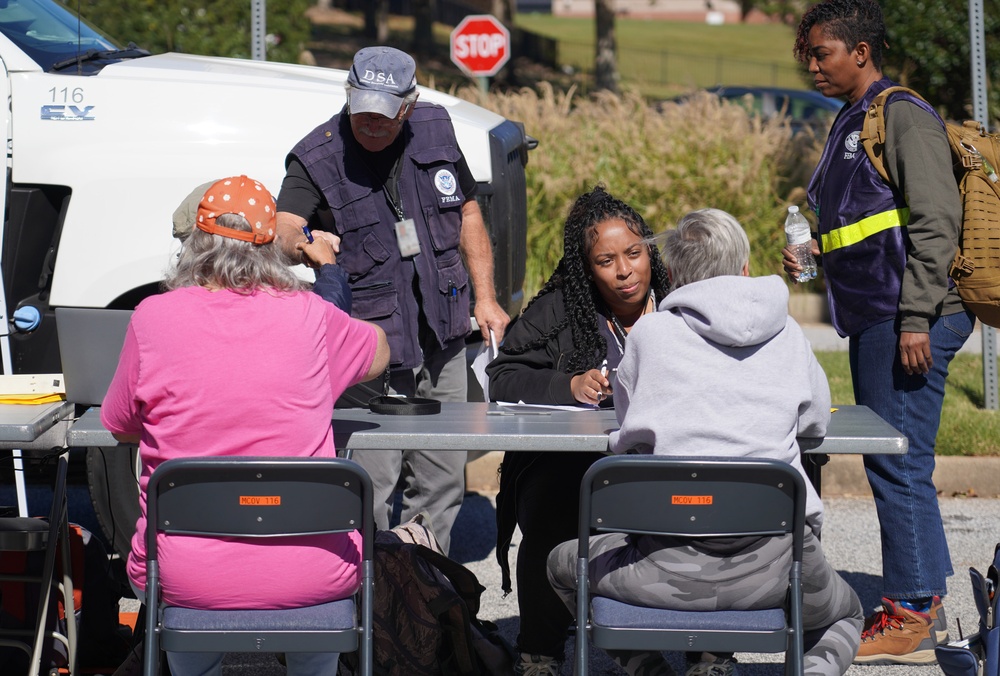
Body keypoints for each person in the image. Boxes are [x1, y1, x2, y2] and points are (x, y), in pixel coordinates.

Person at [547, 208, 864, 676]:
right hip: (778, 567)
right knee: (849, 615)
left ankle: (650, 671)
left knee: (560, 564)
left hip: (660, 566)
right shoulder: (789, 335)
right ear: (744, 268)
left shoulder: (650, 336)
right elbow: (814, 426)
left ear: (671, 274)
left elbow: (630, 430)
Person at [100, 176, 390, 676]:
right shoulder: (312, 315)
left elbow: (121, 425)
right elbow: (380, 351)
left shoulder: (152, 317)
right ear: (269, 245)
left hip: (186, 575)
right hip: (312, 572)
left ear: (195, 243)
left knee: (184, 608)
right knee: (317, 642)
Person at [788, 0, 974, 664]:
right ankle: (922, 600)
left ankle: (911, 617)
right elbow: (866, 223)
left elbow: (934, 224)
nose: (811, 65)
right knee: (895, 459)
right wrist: (812, 256)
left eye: (822, 53)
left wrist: (918, 317)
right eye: (805, 55)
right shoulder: (853, 120)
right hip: (879, 315)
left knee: (897, 461)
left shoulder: (903, 115)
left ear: (860, 51)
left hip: (910, 317)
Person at [275, 46, 509, 554]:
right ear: (348, 96)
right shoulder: (315, 155)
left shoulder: (434, 126)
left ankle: (433, 586)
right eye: (362, 112)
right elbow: (284, 227)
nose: (371, 125)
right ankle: (376, 595)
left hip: (443, 331)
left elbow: (467, 210)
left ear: (408, 104)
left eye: (384, 116)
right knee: (371, 483)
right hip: (371, 349)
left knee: (444, 477)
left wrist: (486, 298)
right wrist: (304, 245)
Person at [486, 186, 671, 676]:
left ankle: (704, 653)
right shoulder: (560, 309)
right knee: (550, 508)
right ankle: (540, 654)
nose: (625, 270)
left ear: (649, 251)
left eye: (634, 253)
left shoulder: (681, 304)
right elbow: (502, 376)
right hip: (575, 466)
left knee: (711, 503)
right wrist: (567, 384)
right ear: (586, 268)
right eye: (606, 260)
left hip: (666, 460)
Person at [172, 180, 353, 313]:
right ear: (270, 242)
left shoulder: (159, 312)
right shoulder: (291, 311)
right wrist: (329, 269)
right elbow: (330, 321)